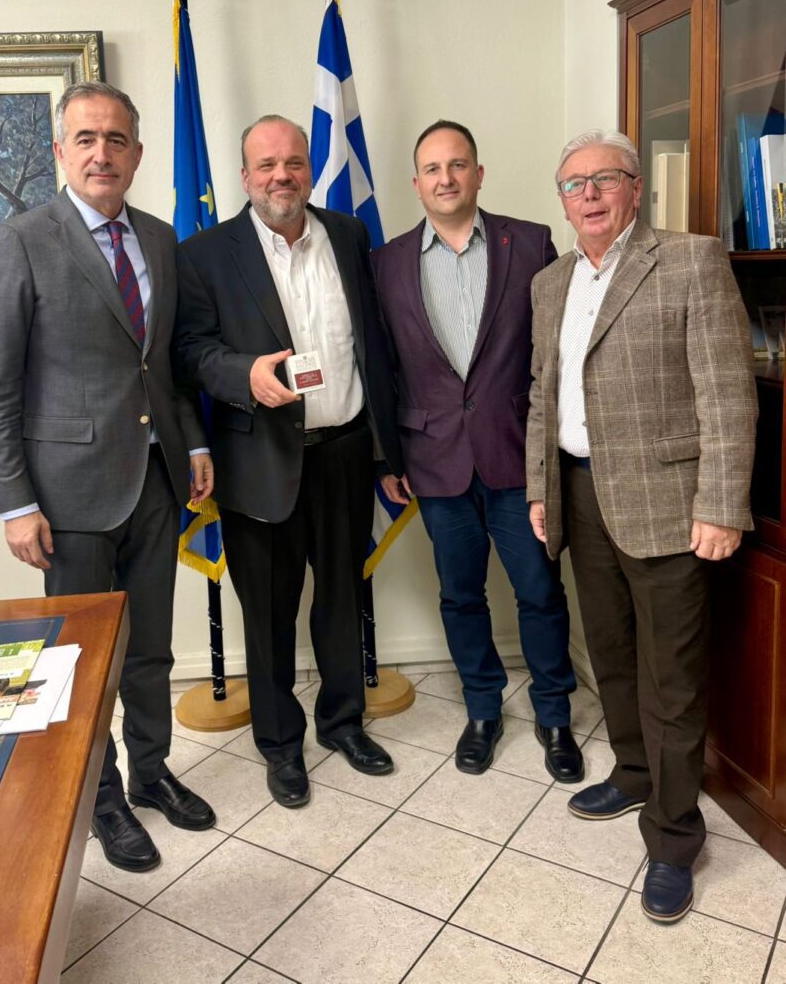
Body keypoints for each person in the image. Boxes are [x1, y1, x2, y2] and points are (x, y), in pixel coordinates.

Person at [0, 82, 216, 873]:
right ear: (60, 151)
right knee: (82, 661)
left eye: (115, 139)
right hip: (66, 495)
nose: (101, 152)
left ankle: (150, 772)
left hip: (156, 482)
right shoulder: (19, 240)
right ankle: (99, 796)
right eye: (85, 138)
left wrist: (193, 444)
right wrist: (14, 502)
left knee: (150, 648)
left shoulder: (161, 238)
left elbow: (163, 366)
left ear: (137, 154)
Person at [527, 128, 757, 923]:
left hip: (667, 503)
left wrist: (720, 504)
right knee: (612, 652)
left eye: (605, 178)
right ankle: (632, 772)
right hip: (579, 493)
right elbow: (542, 394)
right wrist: (540, 488)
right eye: (574, 183)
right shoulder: (550, 282)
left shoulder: (691, 260)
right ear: (562, 200)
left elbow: (728, 393)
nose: (588, 194)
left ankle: (674, 834)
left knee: (672, 676)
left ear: (635, 188)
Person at [174, 115, 403, 808]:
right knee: (269, 613)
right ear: (245, 176)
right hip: (260, 460)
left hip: (344, 452)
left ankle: (342, 723)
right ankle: (279, 744)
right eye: (267, 164)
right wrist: (243, 374)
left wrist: (386, 451)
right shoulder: (206, 253)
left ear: (309, 169)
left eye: (294, 162)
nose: (282, 175)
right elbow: (190, 351)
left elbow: (373, 344)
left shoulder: (350, 234)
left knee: (341, 598)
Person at [373, 120, 582, 780]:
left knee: (539, 591)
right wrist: (387, 459)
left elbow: (555, 353)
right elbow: (382, 367)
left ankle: (554, 715)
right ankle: (483, 709)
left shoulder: (532, 243)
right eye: (433, 169)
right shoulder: (386, 263)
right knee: (461, 596)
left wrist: (551, 449)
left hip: (516, 455)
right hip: (434, 461)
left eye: (457, 165)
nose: (446, 178)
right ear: (416, 183)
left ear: (478, 173)